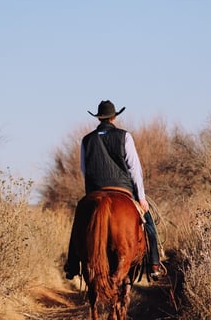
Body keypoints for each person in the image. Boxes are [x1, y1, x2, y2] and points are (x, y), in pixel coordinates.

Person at [63, 100, 164, 281]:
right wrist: (141, 197)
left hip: (95, 191)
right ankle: (154, 264)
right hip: (122, 188)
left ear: (99, 118)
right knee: (148, 223)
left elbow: (84, 169)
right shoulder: (124, 136)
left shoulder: (86, 140)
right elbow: (134, 169)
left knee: (78, 224)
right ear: (114, 117)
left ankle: (71, 265)